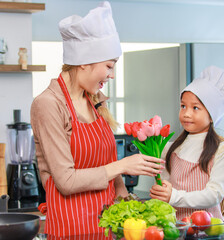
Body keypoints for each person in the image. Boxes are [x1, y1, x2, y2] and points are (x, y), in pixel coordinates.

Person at [30, 1, 164, 238]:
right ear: (84, 60)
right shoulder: (48, 104)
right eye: (109, 66)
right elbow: (66, 181)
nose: (111, 75)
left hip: (108, 228)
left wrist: (134, 211)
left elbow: (113, 174)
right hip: (72, 230)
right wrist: (123, 165)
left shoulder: (95, 101)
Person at [149, 66, 224, 220]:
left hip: (206, 229)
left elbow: (214, 195)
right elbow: (166, 184)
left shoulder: (223, 150)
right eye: (183, 106)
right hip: (175, 228)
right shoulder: (171, 147)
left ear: (212, 115)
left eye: (195, 108)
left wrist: (174, 196)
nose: (186, 113)